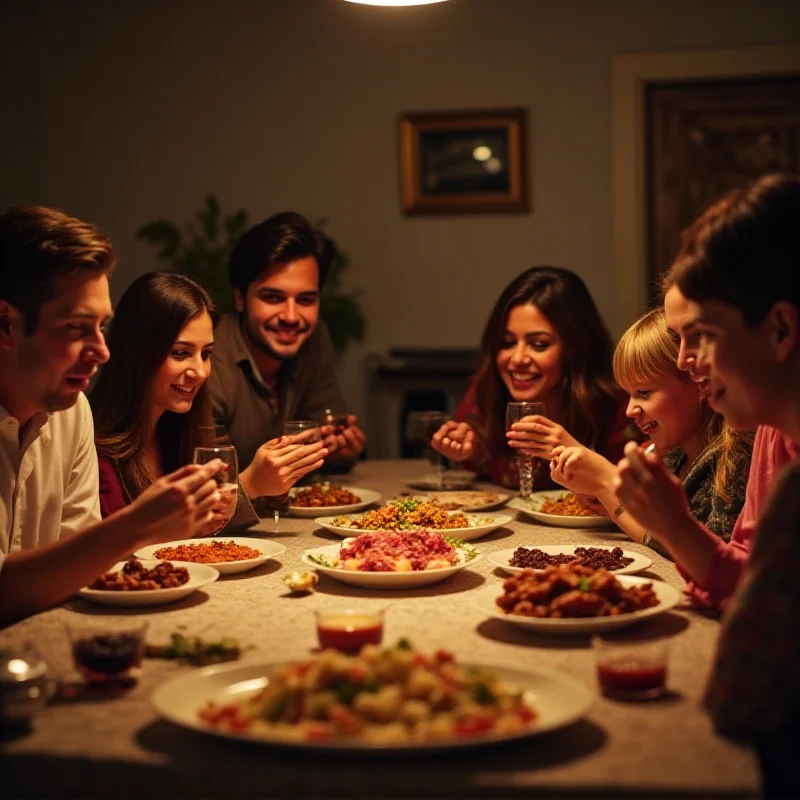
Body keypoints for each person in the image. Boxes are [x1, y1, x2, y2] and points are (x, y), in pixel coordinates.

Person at [612, 174, 800, 795]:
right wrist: (672, 525)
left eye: (703, 336)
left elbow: (753, 683)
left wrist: (671, 526)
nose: (689, 363)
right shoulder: (773, 430)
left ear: (779, 330)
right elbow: (746, 581)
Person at [0, 205, 221, 627]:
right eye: (76, 327)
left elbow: (81, 565)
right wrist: (136, 526)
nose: (102, 351)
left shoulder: (72, 412)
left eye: (103, 327)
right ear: (6, 323)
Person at [90, 272, 326, 529]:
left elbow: (208, 533)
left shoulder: (180, 429)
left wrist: (271, 484)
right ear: (137, 353)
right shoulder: (95, 449)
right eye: (181, 353)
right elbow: (123, 552)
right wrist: (249, 484)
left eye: (206, 354)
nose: (200, 371)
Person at [549, 307, 751, 545]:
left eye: (644, 392)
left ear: (699, 380)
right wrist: (601, 494)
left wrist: (605, 483)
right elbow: (651, 529)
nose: (629, 410)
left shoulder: (737, 455)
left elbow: (699, 555)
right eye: (629, 394)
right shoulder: (672, 457)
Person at [431, 266, 636, 490]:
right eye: (507, 343)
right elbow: (484, 467)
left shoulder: (620, 406)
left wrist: (579, 457)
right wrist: (468, 451)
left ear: (575, 347)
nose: (517, 358)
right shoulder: (489, 386)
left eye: (539, 345)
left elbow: (636, 496)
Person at [208, 212, 365, 484]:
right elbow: (205, 489)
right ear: (240, 298)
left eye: (305, 299)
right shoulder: (207, 357)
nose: (291, 317)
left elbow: (325, 431)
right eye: (273, 297)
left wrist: (338, 449)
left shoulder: (315, 340)